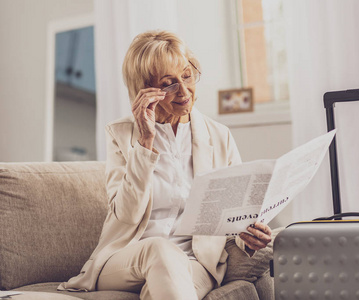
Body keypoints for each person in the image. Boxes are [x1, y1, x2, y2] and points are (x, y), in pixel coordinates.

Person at [58, 30, 272, 300]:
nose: (184, 91)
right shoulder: (121, 135)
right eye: (168, 83)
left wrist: (248, 236)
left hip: (195, 264)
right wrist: (145, 142)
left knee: (166, 281)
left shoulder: (219, 136)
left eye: (187, 76)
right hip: (127, 258)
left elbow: (234, 216)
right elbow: (126, 215)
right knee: (159, 248)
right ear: (145, 91)